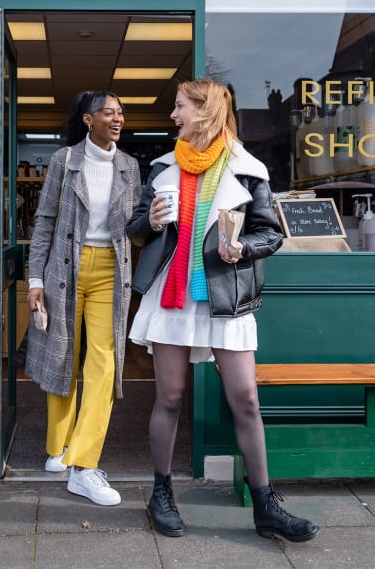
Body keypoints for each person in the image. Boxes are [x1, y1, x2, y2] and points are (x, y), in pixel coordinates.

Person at [126, 78, 318, 541]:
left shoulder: (248, 169)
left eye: (179, 107)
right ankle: (162, 494)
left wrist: (241, 249)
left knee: (246, 400)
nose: (173, 116)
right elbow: (133, 227)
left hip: (225, 297)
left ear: (206, 110)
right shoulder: (162, 168)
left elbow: (270, 233)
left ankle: (265, 504)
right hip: (172, 298)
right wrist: (148, 221)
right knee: (169, 397)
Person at [25, 90, 141, 506]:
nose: (118, 118)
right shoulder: (64, 161)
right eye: (109, 112)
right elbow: (45, 221)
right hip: (64, 268)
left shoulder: (130, 166)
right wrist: (34, 277)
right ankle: (58, 447)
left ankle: (84, 464)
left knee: (103, 362)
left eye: (121, 112)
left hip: (111, 269)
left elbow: (136, 225)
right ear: (88, 120)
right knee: (62, 353)